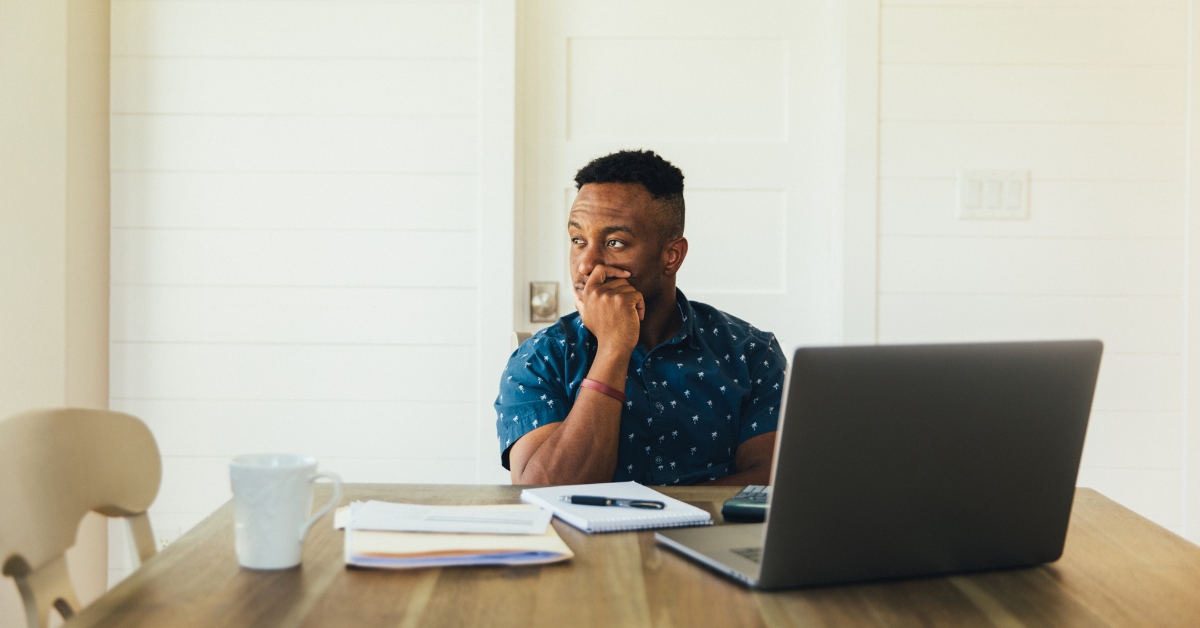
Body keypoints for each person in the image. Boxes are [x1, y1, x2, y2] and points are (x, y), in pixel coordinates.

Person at [495, 150, 786, 486]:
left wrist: (658, 514)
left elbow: (770, 486)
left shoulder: (750, 352)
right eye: (578, 240)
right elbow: (542, 494)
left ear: (671, 256)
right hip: (579, 541)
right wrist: (613, 349)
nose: (585, 264)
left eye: (615, 242)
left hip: (708, 538)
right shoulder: (541, 358)